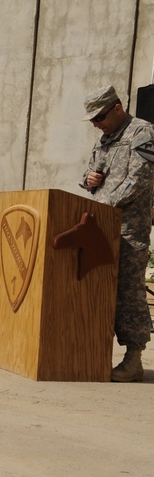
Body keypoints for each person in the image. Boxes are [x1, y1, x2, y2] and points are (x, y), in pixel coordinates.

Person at [80, 85, 154, 382]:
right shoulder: (104, 139)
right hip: (99, 227)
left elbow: (138, 180)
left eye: (99, 117)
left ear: (117, 108)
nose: (96, 124)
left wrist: (104, 205)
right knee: (95, 290)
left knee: (127, 292)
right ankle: (92, 352)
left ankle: (133, 359)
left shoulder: (143, 133)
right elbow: (88, 176)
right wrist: (88, 180)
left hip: (127, 230)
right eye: (93, 121)